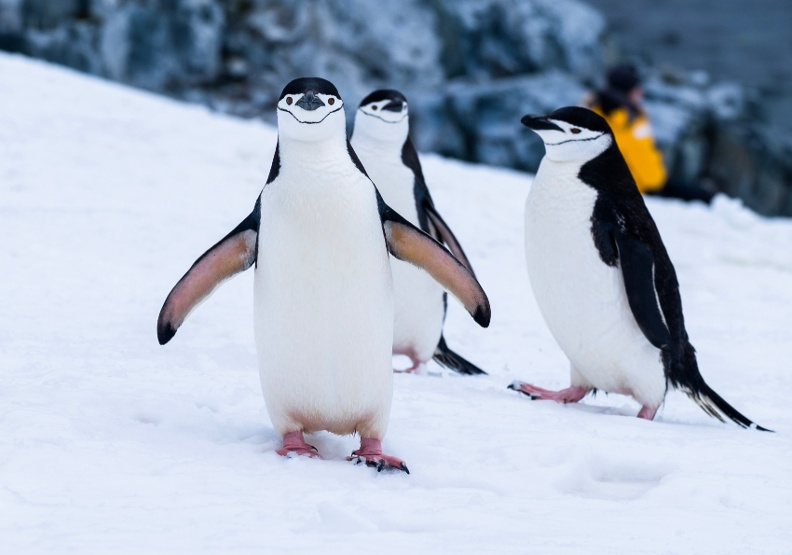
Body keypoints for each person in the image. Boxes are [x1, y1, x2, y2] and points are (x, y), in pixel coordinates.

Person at [585, 64, 715, 204]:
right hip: (641, 188)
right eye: (636, 88)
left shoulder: (628, 115)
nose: (641, 92)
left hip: (652, 181)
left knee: (701, 193)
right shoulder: (616, 121)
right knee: (702, 196)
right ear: (625, 91)